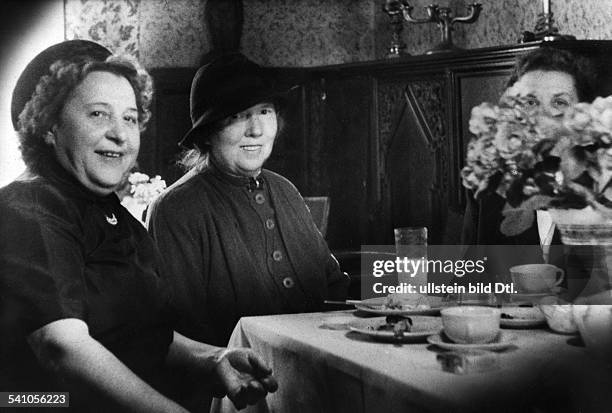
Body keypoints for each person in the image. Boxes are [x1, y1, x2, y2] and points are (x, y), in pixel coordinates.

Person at [0, 40, 277, 412]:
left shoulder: (116, 218)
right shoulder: (27, 207)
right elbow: (61, 347)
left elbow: (146, 336)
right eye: (98, 114)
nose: (120, 134)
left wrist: (212, 359)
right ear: (48, 125)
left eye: (130, 118)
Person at [147, 52, 349, 346]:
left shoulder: (285, 191)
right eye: (237, 116)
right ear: (207, 133)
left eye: (264, 112)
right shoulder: (176, 209)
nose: (256, 130)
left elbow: (334, 285)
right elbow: (183, 332)